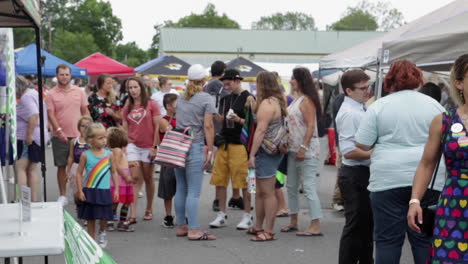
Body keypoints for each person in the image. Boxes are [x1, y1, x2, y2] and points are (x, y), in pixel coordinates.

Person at [355, 60, 446, 264]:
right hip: (429, 180)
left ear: (389, 80)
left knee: (387, 241)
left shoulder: (379, 106)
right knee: (424, 240)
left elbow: (362, 144)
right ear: (418, 79)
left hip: (388, 179)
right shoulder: (434, 106)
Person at [408, 54, 468, 264]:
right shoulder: (443, 121)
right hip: (454, 208)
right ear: (459, 83)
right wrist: (415, 200)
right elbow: (426, 164)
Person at [208, 69, 256, 230]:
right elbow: (222, 121)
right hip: (224, 143)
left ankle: (248, 215)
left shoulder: (248, 97)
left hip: (240, 145)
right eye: (224, 84)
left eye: (229, 84)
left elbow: (252, 124)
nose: (226, 87)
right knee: (219, 180)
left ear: (237, 81)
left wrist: (238, 119)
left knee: (243, 181)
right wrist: (219, 119)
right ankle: (221, 214)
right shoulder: (225, 99)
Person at [174, 64, 216, 240]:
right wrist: (211, 149)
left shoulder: (181, 97)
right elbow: (208, 125)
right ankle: (193, 229)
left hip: (178, 144)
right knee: (194, 191)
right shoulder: (206, 98)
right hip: (195, 144)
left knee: (181, 188)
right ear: (204, 80)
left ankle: (181, 226)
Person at [335, 70, 373, 264]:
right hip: (355, 174)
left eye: (369, 86)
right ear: (349, 91)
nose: (368, 91)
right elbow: (349, 151)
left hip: (359, 173)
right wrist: (377, 153)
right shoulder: (350, 113)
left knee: (364, 227)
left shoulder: (358, 107)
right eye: (363, 88)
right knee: (355, 226)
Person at [281, 67, 323, 236]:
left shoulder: (306, 100)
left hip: (306, 151)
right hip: (293, 149)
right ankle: (293, 220)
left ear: (300, 80)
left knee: (309, 187)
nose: (291, 81)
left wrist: (303, 148)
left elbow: (311, 125)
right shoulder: (297, 100)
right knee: (291, 186)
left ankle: (315, 224)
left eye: (293, 78)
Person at [247, 71, 286, 242]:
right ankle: (259, 226)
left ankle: (268, 230)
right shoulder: (277, 101)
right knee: (261, 192)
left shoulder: (267, 104)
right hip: (275, 150)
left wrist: (252, 154)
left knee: (267, 192)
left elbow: (261, 130)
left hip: (265, 151)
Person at [47, 64, 90, 206]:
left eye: (66, 74)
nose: (64, 77)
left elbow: (85, 111)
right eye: (61, 74)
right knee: (61, 165)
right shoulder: (52, 93)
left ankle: (82, 192)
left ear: (70, 76)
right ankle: (63, 195)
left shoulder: (79, 91)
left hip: (79, 135)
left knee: (82, 165)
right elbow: (51, 114)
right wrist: (58, 130)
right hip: (60, 135)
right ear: (57, 75)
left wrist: (90, 129)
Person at [122, 77, 161, 223]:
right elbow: (125, 127)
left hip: (149, 146)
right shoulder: (127, 106)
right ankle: (132, 214)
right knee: (135, 178)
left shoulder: (152, 104)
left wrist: (155, 147)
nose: (132, 90)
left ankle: (149, 208)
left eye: (135, 87)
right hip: (133, 145)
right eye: (130, 88)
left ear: (141, 88)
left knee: (148, 178)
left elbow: (157, 126)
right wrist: (124, 146)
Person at [75, 123, 118, 248]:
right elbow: (78, 174)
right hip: (90, 190)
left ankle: (102, 232)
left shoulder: (109, 154)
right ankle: (91, 241)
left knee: (104, 215)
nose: (104, 140)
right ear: (90, 140)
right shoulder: (85, 155)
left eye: (105, 137)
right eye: (100, 138)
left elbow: (114, 172)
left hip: (104, 190)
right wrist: (80, 190)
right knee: (91, 217)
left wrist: (116, 189)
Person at [15, 75, 49, 202]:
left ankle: (24, 200)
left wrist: (28, 135)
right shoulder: (33, 93)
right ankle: (33, 200)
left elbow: (34, 115)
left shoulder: (26, 97)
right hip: (38, 136)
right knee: (31, 168)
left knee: (21, 168)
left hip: (29, 137)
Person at [107, 127, 134, 232]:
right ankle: (110, 220)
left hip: (123, 179)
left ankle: (121, 221)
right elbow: (116, 166)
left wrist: (129, 165)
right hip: (120, 179)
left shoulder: (119, 151)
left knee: (126, 201)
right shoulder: (117, 150)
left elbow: (121, 164)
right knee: (116, 201)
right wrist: (126, 176)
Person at [157, 93, 178, 228]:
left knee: (182, 188)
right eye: (177, 104)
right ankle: (168, 214)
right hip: (168, 157)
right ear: (169, 106)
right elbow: (171, 132)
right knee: (168, 189)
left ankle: (182, 214)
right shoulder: (163, 120)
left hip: (181, 157)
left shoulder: (183, 117)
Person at [65, 116, 92, 210]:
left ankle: (86, 210)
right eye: (83, 126)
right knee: (76, 190)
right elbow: (71, 157)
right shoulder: (74, 141)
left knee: (87, 190)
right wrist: (68, 170)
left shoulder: (92, 141)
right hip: (76, 168)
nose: (85, 128)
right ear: (78, 127)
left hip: (88, 168)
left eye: (88, 126)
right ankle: (79, 207)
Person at [331, 93, 346, 212]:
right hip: (343, 141)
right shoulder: (341, 100)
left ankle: (339, 199)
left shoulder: (339, 99)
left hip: (342, 141)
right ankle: (337, 200)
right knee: (342, 170)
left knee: (342, 170)